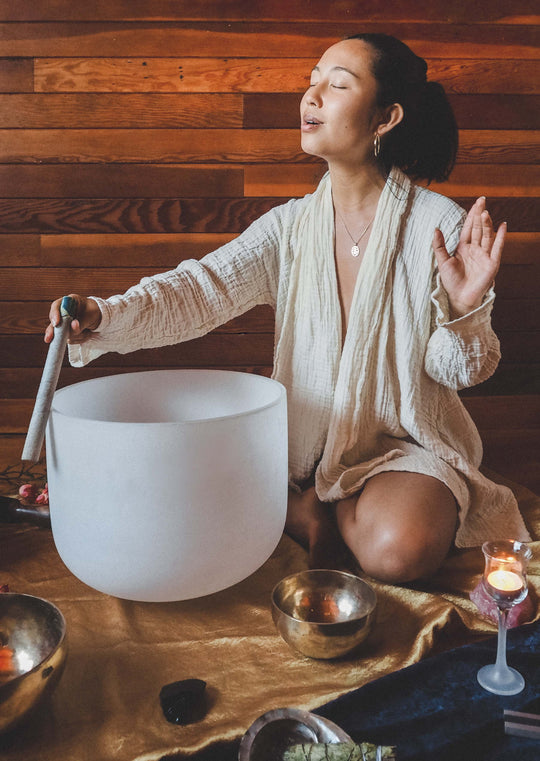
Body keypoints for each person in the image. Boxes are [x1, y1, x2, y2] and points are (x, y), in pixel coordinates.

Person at [45, 33, 530, 583]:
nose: (312, 96)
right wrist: (105, 314)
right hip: (304, 443)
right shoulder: (289, 226)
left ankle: (306, 510)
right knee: (181, 489)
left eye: (337, 84)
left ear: (385, 117)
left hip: (401, 447)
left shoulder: (438, 225)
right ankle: (311, 504)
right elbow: (199, 289)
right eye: (312, 81)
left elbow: (457, 371)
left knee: (401, 554)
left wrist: (465, 312)